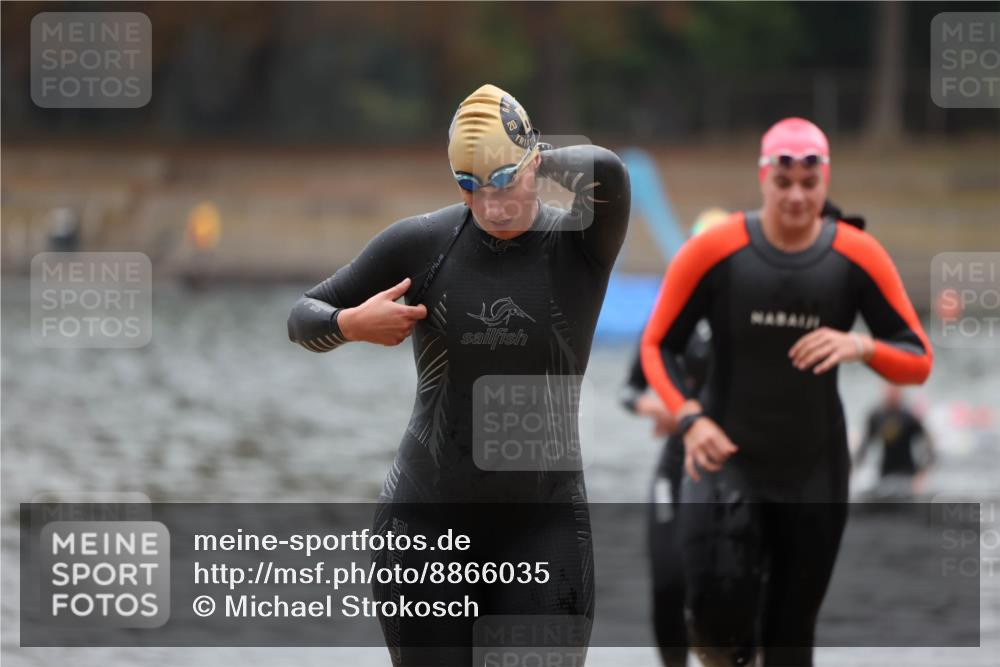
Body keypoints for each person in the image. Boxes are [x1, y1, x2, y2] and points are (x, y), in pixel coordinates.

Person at [287, 83, 630, 666]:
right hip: (424, 524)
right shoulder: (422, 243)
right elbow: (302, 317)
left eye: (504, 182)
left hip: (541, 528)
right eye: (469, 187)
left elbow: (610, 172)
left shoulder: (580, 242)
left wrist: (529, 154)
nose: (491, 206)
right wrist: (350, 323)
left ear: (536, 163)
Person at [640, 117, 932, 666]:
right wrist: (690, 418)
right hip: (726, 463)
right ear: (763, 178)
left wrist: (860, 347)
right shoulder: (715, 251)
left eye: (809, 181)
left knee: (791, 637)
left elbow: (917, 361)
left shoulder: (857, 254)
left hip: (813, 471)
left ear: (825, 181)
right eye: (783, 180)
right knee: (717, 625)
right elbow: (658, 346)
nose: (796, 195)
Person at [620, 208, 727, 667]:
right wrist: (659, 408)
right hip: (677, 464)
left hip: (734, 469)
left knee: (728, 585)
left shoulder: (749, 322)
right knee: (667, 581)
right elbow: (630, 390)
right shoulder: (671, 318)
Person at [855, 384, 935, 497]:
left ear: (901, 392)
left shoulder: (909, 416)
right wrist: (854, 471)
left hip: (908, 475)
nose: (891, 393)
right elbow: (864, 447)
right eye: (888, 389)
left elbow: (928, 444)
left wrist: (921, 475)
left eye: (895, 390)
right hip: (884, 474)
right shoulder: (876, 415)